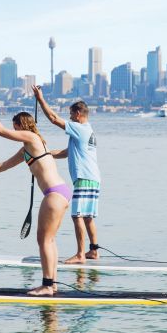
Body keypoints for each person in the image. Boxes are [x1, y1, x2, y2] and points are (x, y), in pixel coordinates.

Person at [0, 108, 71, 296]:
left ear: (19, 125)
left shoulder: (32, 137)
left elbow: (0, 131)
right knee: (49, 240)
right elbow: (4, 165)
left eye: (15, 127)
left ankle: (47, 286)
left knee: (44, 240)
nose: (14, 131)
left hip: (54, 194)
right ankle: (52, 284)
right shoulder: (28, 147)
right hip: (61, 192)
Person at [32, 85, 102, 264]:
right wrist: (45, 154)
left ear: (78, 114)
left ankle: (80, 254)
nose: (70, 117)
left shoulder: (80, 128)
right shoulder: (88, 130)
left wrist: (40, 99)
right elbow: (66, 152)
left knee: (76, 215)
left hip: (84, 178)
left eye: (71, 114)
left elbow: (54, 118)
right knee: (87, 217)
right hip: (93, 178)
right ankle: (94, 251)